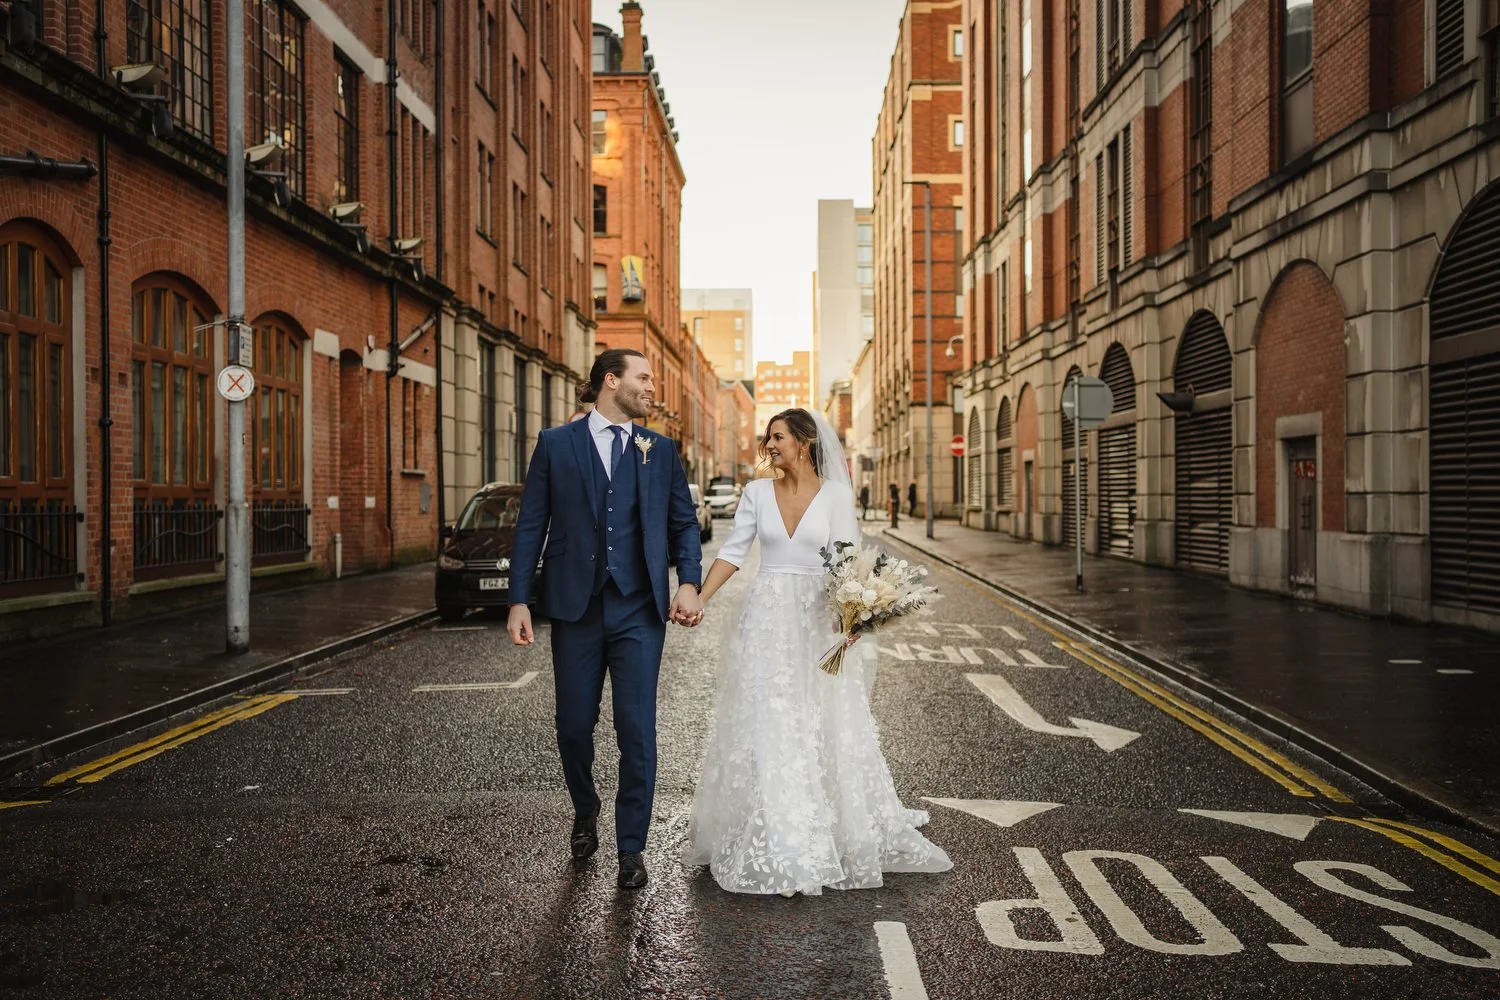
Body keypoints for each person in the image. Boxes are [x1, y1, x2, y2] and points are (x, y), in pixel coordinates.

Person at [684, 408, 952, 896]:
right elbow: (732, 554)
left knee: (819, 717)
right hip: (765, 619)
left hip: (815, 622)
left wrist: (851, 619)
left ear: (805, 443)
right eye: (767, 438)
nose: (770, 445)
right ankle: (781, 836)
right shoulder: (756, 493)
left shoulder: (835, 496)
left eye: (778, 437)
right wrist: (699, 599)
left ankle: (823, 825)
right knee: (769, 719)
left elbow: (848, 562)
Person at [507, 348, 704, 892]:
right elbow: (531, 526)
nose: (652, 387)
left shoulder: (658, 450)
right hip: (575, 608)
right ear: (610, 381)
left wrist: (688, 580)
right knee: (573, 726)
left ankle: (631, 847)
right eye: (643, 378)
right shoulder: (556, 444)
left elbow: (684, 524)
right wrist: (519, 599)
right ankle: (585, 807)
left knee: (636, 730)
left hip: (639, 608)